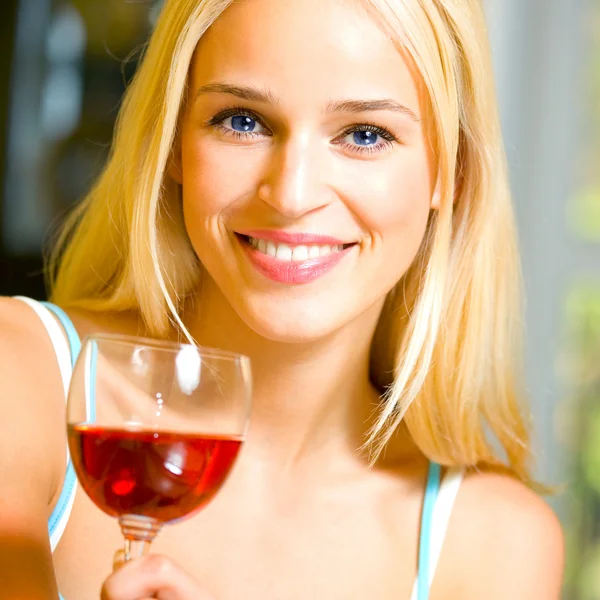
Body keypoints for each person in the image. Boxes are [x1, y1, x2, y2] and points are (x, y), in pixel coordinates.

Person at [0, 0, 565, 598]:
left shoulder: (495, 546)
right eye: (242, 120)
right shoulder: (23, 380)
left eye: (365, 134)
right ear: (172, 145)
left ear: (451, 172)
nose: (291, 196)